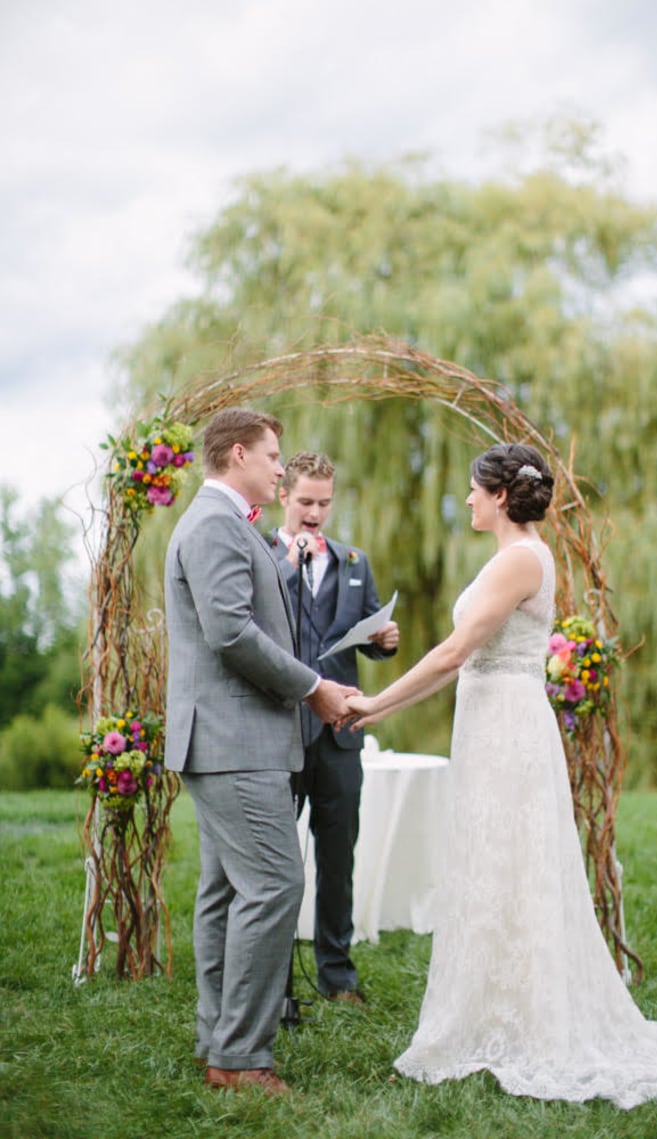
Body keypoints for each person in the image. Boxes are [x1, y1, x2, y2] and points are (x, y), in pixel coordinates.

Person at [345, 442, 657, 1109]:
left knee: (513, 865)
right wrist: (380, 705)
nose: (471, 498)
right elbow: (457, 661)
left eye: (477, 489)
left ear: (502, 495)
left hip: (507, 728)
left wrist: (375, 702)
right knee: (492, 866)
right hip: (490, 721)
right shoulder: (517, 556)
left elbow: (454, 650)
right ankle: (491, 1009)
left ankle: (523, 1019)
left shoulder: (517, 560)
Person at [163, 409, 358, 1096]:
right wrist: (313, 688)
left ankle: (219, 1037)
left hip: (224, 738)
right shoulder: (216, 523)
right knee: (275, 883)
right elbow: (230, 632)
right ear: (237, 453)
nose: (282, 469)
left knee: (226, 889)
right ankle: (242, 1056)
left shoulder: (219, 520)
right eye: (274, 457)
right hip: (232, 739)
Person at [267, 451, 399, 1003]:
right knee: (275, 862)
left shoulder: (353, 563)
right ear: (284, 498)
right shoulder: (262, 555)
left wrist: (383, 643)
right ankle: (272, 981)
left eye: (324, 502)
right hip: (280, 730)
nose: (316, 512)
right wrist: (286, 569)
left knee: (338, 855)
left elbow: (363, 634)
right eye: (305, 502)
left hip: (342, 735)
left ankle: (338, 974)